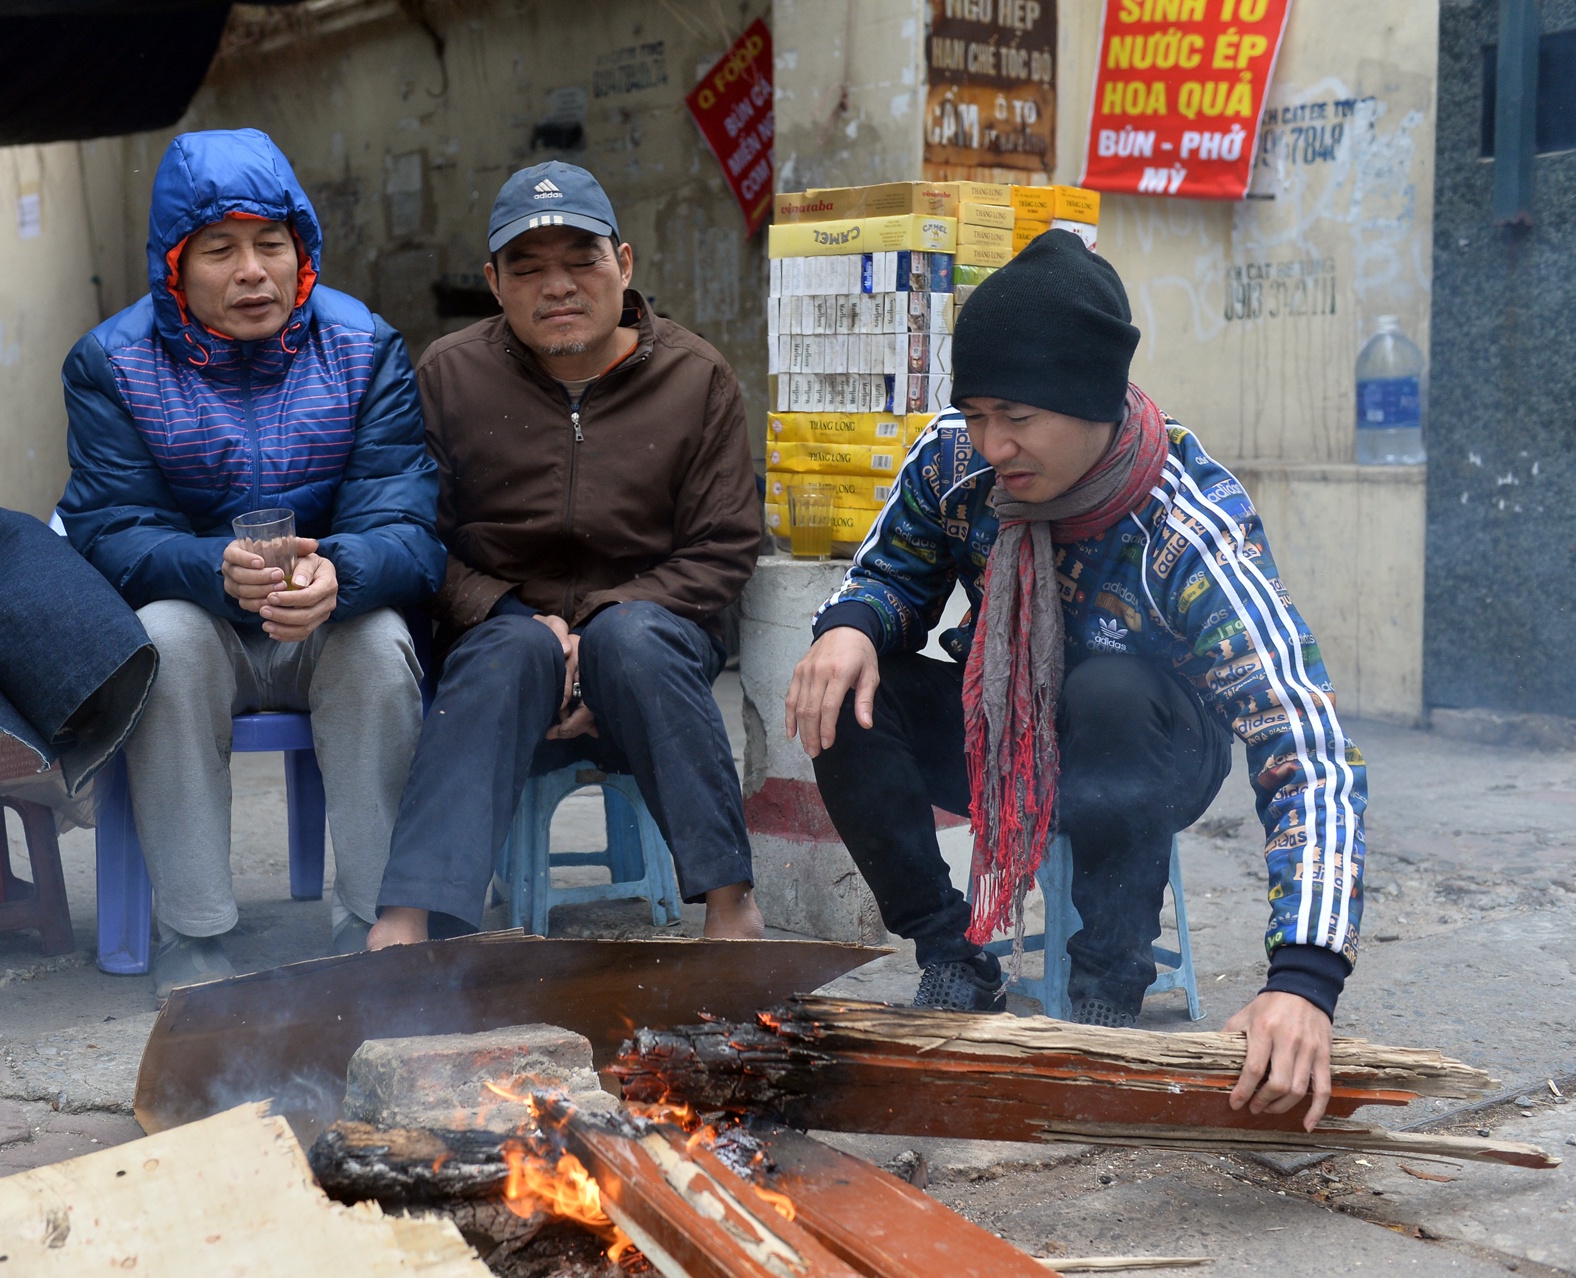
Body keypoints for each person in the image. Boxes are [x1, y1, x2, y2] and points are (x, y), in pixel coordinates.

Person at [785, 230, 1366, 1131]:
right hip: (1002, 733)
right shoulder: (954, 463)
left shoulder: (1189, 525)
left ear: (1091, 400)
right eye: (975, 413)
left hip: (1148, 748)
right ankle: (951, 955)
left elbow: (1306, 740)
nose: (992, 443)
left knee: (1110, 691)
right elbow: (887, 574)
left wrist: (1306, 980)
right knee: (851, 689)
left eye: (1016, 416)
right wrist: (851, 627)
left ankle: (1107, 981)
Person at [59, 129, 441, 999]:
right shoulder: (112, 363)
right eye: (220, 249)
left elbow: (408, 521)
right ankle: (194, 934)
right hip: (205, 620)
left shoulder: (363, 346)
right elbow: (109, 532)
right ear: (174, 266)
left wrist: (340, 569)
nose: (253, 272)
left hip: (325, 619)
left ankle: (373, 920)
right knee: (161, 640)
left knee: (381, 644)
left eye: (272, 243)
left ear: (301, 252)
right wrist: (211, 569)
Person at [366, 161, 764, 948]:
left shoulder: (696, 377)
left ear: (624, 264)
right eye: (528, 268)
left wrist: (603, 623)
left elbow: (726, 543)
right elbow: (415, 538)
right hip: (507, 647)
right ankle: (409, 923)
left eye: (581, 260)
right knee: (505, 651)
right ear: (493, 282)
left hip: (654, 649)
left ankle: (730, 908)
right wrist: (518, 617)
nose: (558, 286)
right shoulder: (451, 375)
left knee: (635, 640)